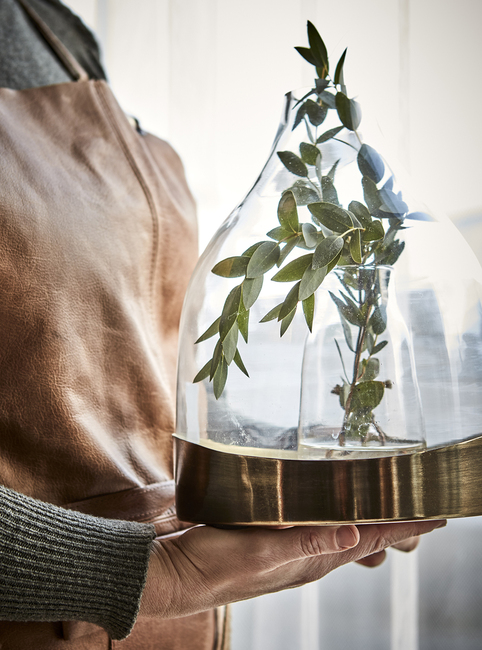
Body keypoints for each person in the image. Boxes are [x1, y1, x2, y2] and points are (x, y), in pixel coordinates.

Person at [0, 1, 445, 648]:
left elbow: (117, 374)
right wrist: (145, 572)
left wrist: (293, 470)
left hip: (181, 628)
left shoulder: (52, 29)